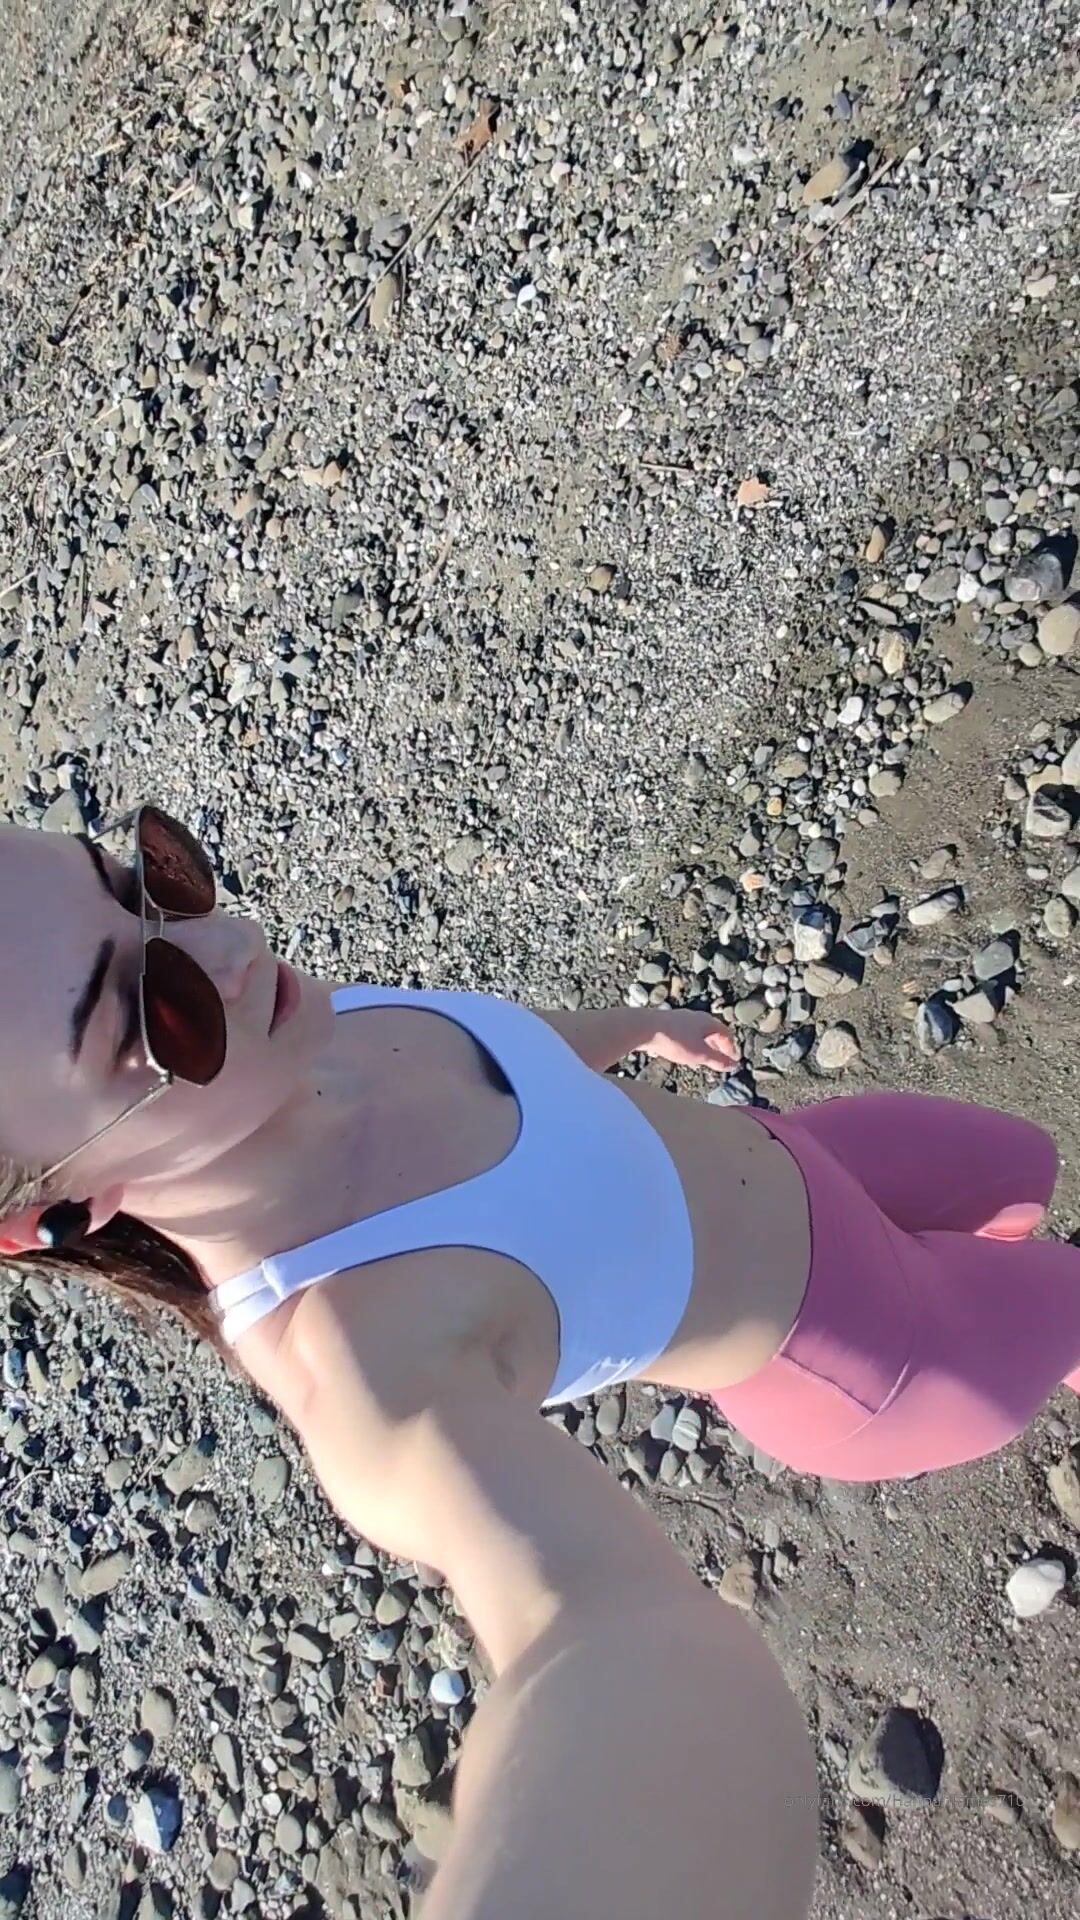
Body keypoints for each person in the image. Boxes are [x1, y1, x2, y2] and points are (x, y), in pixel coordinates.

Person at [0, 806, 817, 1920]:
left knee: (1021, 1165)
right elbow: (604, 1629)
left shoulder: (294, 1042)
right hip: (874, 1360)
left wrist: (631, 1028)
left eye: (149, 878)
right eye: (152, 1009)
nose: (230, 942)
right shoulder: (366, 1367)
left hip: (808, 1152)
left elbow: (510, 1051)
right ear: (58, 1207)